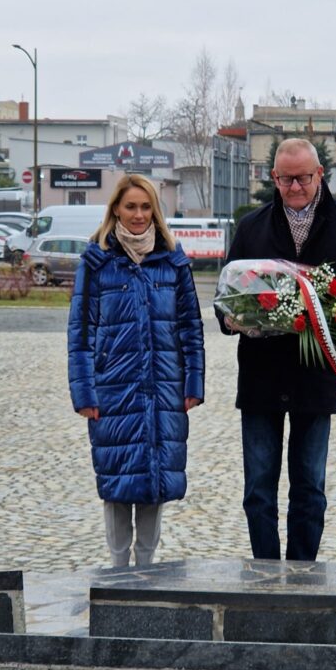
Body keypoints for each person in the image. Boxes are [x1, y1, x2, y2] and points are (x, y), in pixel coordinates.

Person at [219, 137, 336, 561]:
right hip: (260, 377)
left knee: (310, 487)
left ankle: (304, 576)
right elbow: (227, 299)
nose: (294, 187)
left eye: (303, 178)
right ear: (273, 177)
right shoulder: (251, 226)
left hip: (315, 376)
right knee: (258, 487)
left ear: (319, 175)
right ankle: (266, 573)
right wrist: (235, 319)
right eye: (286, 179)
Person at [68, 174, 204, 567]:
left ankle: (147, 568)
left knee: (156, 480)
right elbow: (80, 334)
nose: (139, 215)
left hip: (164, 389)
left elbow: (191, 330)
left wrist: (193, 382)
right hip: (113, 390)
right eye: (131, 206)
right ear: (116, 209)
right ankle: (116, 568)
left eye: (146, 207)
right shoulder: (97, 262)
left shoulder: (173, 262)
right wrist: (84, 394)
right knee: (117, 480)